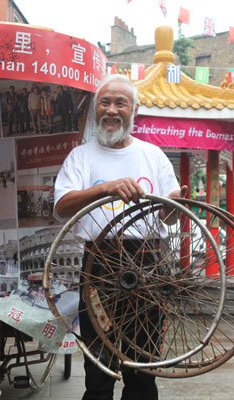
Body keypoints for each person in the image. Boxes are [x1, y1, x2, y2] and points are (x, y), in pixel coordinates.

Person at [54, 74, 186, 400]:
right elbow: (61, 206)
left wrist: (176, 206)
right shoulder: (80, 156)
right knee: (99, 369)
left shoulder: (153, 155)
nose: (111, 110)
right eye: (105, 102)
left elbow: (168, 213)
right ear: (95, 110)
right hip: (99, 265)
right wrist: (104, 188)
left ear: (134, 111)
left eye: (120, 103)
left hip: (147, 263)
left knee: (142, 370)